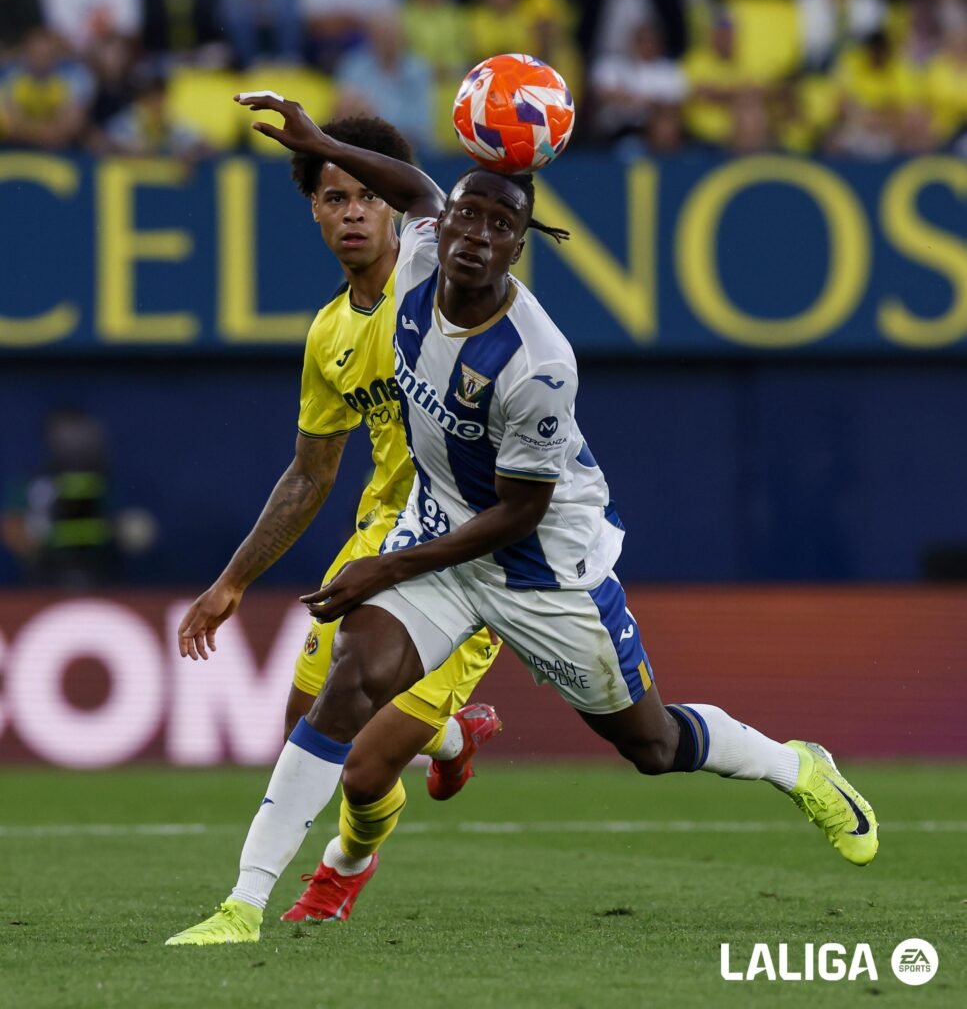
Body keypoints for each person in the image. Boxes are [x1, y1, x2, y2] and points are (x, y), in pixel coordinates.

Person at [166, 95, 878, 946]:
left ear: (517, 248)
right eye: (464, 216)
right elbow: (415, 188)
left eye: (499, 227)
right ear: (440, 223)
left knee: (650, 745)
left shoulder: (537, 365)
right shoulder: (416, 257)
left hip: (537, 563)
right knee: (345, 688)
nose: (474, 234)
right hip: (436, 536)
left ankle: (795, 766)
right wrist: (321, 141)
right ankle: (241, 906)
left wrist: (383, 566)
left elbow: (518, 513)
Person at [172, 115, 502, 935]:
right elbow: (310, 473)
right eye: (332, 198)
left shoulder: (442, 286)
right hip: (379, 540)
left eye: (366, 195)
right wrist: (232, 582)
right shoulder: (329, 333)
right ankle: (450, 740)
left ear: (394, 207)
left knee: (359, 767)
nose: (352, 211)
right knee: (305, 731)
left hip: (470, 552)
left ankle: (340, 870)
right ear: (315, 214)